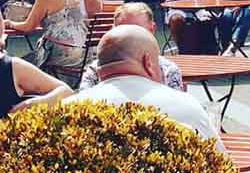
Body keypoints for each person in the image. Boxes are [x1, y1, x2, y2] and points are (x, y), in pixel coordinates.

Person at [65, 25, 223, 150]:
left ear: (98, 68)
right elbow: (220, 163)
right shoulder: (186, 105)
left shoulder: (69, 109)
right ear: (148, 62)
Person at [3, 0, 87, 86]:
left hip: (58, 51)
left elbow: (28, 27)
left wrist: (10, 23)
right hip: (80, 50)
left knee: (16, 66)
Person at [79, 2, 184, 91]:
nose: (129, 35)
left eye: (137, 29)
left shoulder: (168, 71)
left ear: (152, 29)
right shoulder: (94, 71)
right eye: (122, 29)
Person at [0, 11, 73, 118]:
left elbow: (66, 91)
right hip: (67, 56)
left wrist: (29, 105)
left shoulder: (12, 67)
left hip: (59, 55)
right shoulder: (13, 67)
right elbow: (66, 92)